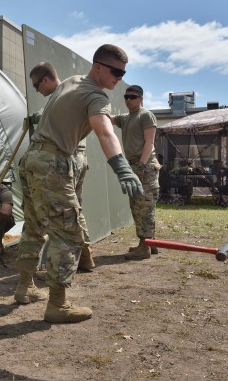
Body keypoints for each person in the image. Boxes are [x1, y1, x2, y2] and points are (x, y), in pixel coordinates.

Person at [15, 44, 143, 323]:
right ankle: (57, 305)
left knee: (34, 225)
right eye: (115, 71)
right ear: (98, 67)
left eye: (123, 73)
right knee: (69, 233)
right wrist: (123, 169)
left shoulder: (72, 82)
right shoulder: (97, 97)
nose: (119, 78)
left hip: (31, 160)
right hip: (53, 165)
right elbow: (105, 132)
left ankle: (24, 286)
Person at [25, 62, 95, 277]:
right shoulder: (69, 92)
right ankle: (85, 255)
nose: (37, 90)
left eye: (37, 85)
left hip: (67, 158)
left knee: (61, 214)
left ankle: (62, 266)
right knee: (75, 209)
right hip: (78, 157)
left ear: (46, 79)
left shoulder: (63, 95)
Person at [111, 85, 160, 260]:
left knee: (143, 206)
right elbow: (107, 120)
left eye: (132, 97)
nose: (128, 100)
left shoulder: (145, 115)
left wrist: (140, 165)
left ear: (140, 98)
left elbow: (150, 142)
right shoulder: (126, 118)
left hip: (145, 166)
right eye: (126, 97)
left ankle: (144, 247)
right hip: (135, 165)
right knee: (138, 204)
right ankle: (150, 244)